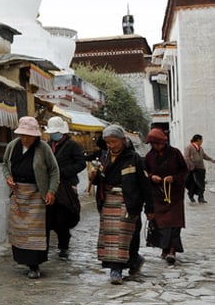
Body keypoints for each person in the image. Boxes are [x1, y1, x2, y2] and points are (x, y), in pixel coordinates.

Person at [92, 125, 153, 285]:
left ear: (123, 140)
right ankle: (119, 267)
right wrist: (96, 176)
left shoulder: (134, 159)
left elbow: (145, 185)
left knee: (125, 236)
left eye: (114, 142)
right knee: (111, 236)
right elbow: (102, 179)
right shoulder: (104, 158)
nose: (111, 146)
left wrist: (150, 208)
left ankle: (127, 264)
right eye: (108, 143)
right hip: (108, 201)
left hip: (128, 202)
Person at [3, 116, 59, 279]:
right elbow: (5, 164)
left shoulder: (43, 149)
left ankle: (34, 265)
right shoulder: (12, 146)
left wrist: (51, 191)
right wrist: (8, 177)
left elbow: (54, 170)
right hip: (19, 194)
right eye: (23, 135)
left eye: (29, 136)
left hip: (36, 195)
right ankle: (23, 261)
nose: (25, 139)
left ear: (35, 136)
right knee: (20, 230)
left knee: (36, 232)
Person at [143, 128, 189, 265]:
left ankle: (172, 250)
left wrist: (174, 178)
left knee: (174, 224)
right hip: (158, 195)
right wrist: (152, 177)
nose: (156, 146)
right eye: (153, 144)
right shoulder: (149, 156)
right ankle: (165, 248)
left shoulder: (175, 153)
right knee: (162, 224)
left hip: (174, 195)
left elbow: (184, 170)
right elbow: (145, 172)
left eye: (158, 144)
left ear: (163, 142)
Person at [43, 117, 85, 258]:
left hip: (66, 187)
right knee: (48, 217)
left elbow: (81, 164)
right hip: (50, 186)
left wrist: (63, 172)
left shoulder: (72, 145)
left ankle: (64, 246)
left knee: (63, 217)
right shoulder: (48, 146)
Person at [185, 134, 214, 204]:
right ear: (198, 140)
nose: (202, 141)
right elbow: (186, 157)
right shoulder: (189, 147)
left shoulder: (200, 148)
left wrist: (211, 159)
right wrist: (191, 166)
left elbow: (204, 155)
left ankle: (198, 196)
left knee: (199, 183)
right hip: (193, 169)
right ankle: (196, 196)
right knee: (195, 184)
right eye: (201, 140)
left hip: (201, 168)